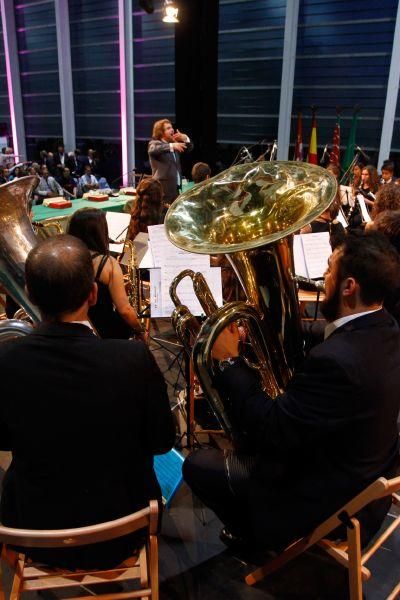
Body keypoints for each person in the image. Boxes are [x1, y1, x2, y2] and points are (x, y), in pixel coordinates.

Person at [183, 231, 400, 551]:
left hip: (324, 499)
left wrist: (229, 361)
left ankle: (254, 538)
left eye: (329, 270)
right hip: (366, 476)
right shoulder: (387, 327)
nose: (324, 278)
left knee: (197, 465)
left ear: (348, 286)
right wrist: (260, 328)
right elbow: (330, 336)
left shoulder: (336, 362)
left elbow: (270, 429)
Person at [0, 235, 175, 570]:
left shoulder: (5, 359)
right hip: (124, 531)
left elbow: (3, 439)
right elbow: (162, 441)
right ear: (94, 294)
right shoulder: (133, 357)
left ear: (29, 294)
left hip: (33, 535)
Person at [68, 208, 143, 339]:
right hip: (105, 332)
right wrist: (140, 330)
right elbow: (124, 310)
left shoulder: (64, 259)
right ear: (99, 232)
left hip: (72, 331)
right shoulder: (108, 263)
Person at [148, 119, 193, 212]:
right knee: (162, 218)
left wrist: (185, 138)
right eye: (168, 128)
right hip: (162, 189)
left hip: (175, 189)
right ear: (161, 132)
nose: (172, 129)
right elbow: (152, 150)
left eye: (172, 127)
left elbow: (189, 149)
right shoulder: (155, 143)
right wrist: (171, 146)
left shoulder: (173, 144)